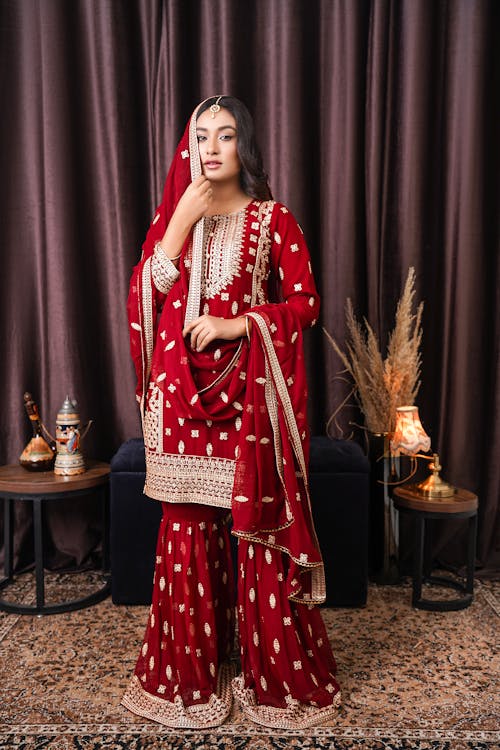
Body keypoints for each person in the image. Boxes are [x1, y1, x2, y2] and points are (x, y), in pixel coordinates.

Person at [122, 95, 341, 729]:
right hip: (179, 395)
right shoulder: (175, 214)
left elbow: (303, 306)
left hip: (246, 394)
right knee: (186, 527)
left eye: (224, 134)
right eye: (200, 135)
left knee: (252, 527)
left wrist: (233, 323)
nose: (211, 147)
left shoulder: (274, 220)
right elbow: (146, 296)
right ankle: (190, 672)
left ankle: (269, 670)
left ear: (245, 143)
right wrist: (177, 226)